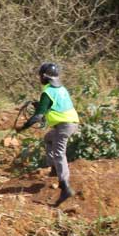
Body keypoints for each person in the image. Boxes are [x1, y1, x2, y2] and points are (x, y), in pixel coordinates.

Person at [15, 62, 80, 205]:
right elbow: (54, 106)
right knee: (48, 138)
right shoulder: (60, 89)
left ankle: (65, 187)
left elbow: (38, 117)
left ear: (44, 77)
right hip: (71, 123)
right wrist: (40, 106)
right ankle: (54, 170)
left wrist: (23, 127)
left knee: (59, 153)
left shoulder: (47, 92)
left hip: (64, 125)